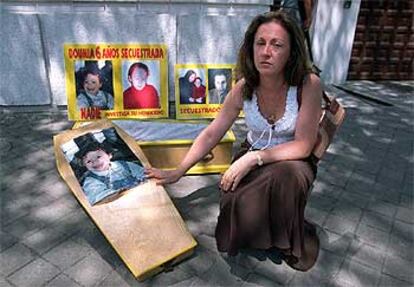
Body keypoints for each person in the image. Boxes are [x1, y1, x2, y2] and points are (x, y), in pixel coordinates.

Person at [146, 10, 322, 271]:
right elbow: (212, 132)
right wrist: (179, 172)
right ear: (251, 48)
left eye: (277, 45)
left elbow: (304, 145)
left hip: (292, 159)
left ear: (291, 52)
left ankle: (287, 241)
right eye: (260, 43)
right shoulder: (244, 86)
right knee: (232, 197)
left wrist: (255, 158)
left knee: (287, 175)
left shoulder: (308, 84)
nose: (266, 52)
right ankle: (262, 233)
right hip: (253, 151)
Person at [75, 141, 146, 205]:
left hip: (141, 194)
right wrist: (119, 193)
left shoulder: (125, 165)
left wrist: (143, 181)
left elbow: (143, 173)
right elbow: (95, 197)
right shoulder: (91, 181)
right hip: (119, 204)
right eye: (89, 161)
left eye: (98, 157)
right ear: (84, 165)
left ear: (109, 155)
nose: (95, 162)